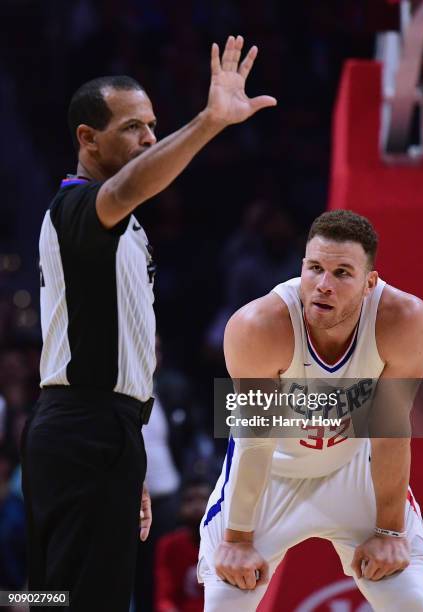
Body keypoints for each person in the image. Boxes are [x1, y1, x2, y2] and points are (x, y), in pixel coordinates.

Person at [20, 35, 277, 612]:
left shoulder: (124, 229)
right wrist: (210, 122)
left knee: (60, 593)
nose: (149, 138)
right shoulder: (77, 206)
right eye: (133, 128)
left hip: (104, 430)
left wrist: (129, 447)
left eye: (153, 125)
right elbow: (132, 184)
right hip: (81, 426)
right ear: (87, 139)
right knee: (77, 598)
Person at [198, 210, 423, 611]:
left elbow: (391, 429)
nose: (323, 285)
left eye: (343, 272)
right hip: (272, 472)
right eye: (315, 268)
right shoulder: (257, 326)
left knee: (409, 601)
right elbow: (254, 441)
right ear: (301, 268)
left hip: (355, 465)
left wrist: (390, 532)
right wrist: (238, 540)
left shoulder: (405, 321)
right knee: (224, 602)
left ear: (369, 282)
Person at [155, 478, 211, 612]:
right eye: (190, 500)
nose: (197, 506)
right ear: (179, 508)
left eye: (203, 499)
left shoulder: (228, 544)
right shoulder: (169, 545)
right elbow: (163, 599)